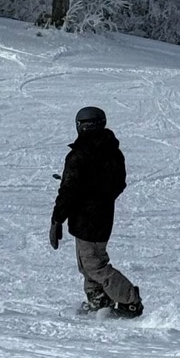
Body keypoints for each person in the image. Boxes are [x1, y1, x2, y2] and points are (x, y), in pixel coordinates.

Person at [50, 106, 142, 316]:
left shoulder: (78, 155)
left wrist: (57, 219)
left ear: (81, 127)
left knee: (94, 265)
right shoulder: (113, 151)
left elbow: (68, 191)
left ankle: (130, 300)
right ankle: (98, 300)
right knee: (87, 262)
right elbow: (119, 183)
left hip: (85, 218)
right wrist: (101, 199)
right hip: (102, 216)